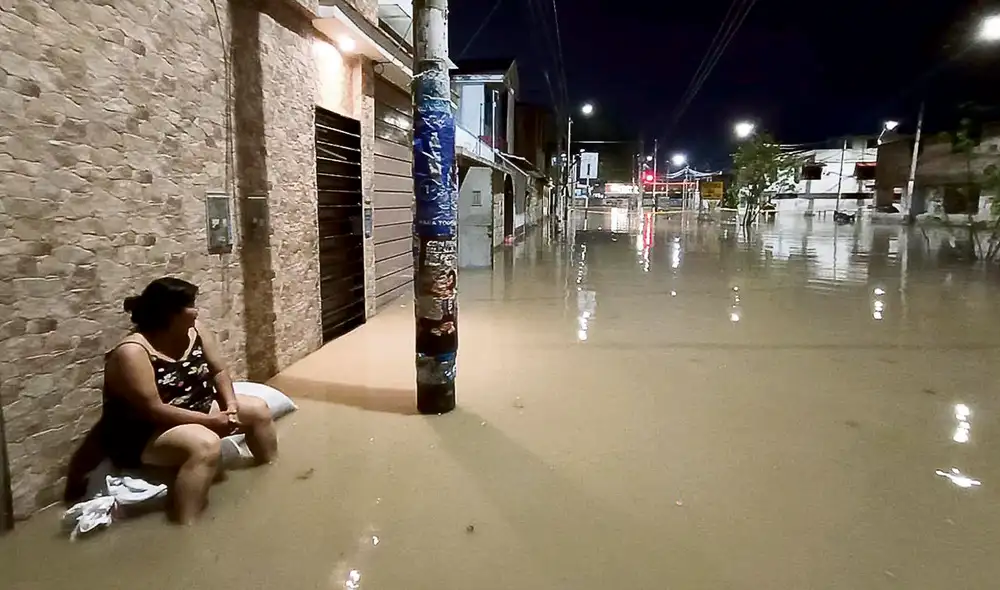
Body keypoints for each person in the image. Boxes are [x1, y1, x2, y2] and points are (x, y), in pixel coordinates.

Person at [99, 277, 277, 524]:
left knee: (258, 410)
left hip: (198, 405)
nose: (197, 311)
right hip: (149, 430)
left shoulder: (195, 331)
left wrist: (231, 407)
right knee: (206, 444)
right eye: (191, 305)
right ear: (169, 313)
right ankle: (187, 523)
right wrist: (211, 421)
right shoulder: (133, 351)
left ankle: (272, 474)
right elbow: (154, 409)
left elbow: (219, 371)